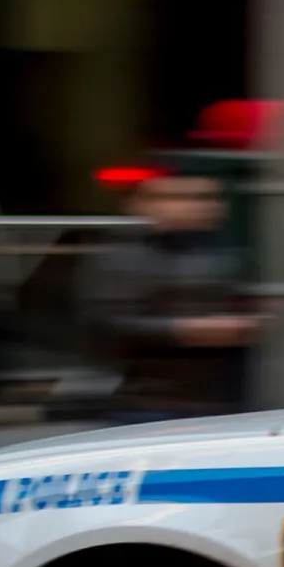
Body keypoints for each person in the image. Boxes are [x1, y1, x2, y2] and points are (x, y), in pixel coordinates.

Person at [88, 173, 260, 418]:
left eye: (207, 198)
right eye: (178, 197)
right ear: (141, 205)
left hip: (224, 401)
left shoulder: (230, 254)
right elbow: (106, 323)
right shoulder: (122, 257)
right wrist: (182, 330)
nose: (199, 206)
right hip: (152, 401)